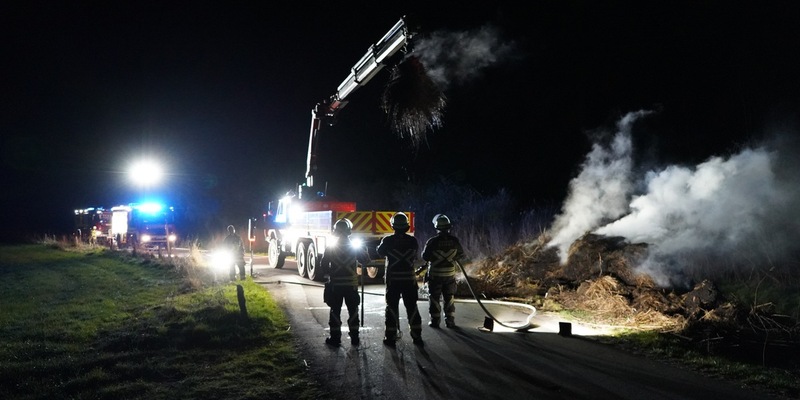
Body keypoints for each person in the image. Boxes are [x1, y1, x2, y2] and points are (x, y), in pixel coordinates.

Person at [319, 218, 369, 346]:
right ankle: (355, 338)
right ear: (349, 231)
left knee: (335, 311)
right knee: (353, 311)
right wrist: (364, 250)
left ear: (335, 231)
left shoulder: (331, 248)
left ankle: (335, 338)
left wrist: (330, 274)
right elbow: (366, 261)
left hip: (335, 286)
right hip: (351, 286)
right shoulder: (354, 247)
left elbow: (323, 265)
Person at [376, 212, 423, 346]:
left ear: (393, 226)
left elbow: (380, 252)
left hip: (393, 281)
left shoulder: (388, 240)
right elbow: (415, 255)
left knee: (391, 307)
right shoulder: (412, 241)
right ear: (407, 226)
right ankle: (417, 336)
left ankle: (390, 337)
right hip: (409, 281)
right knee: (412, 307)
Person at [418, 214, 466, 328]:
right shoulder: (454, 241)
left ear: (437, 228)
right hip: (450, 275)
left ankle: (435, 321)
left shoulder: (432, 241)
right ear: (449, 227)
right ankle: (450, 321)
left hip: (435, 275)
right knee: (449, 298)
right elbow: (462, 255)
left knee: (434, 298)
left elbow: (425, 257)